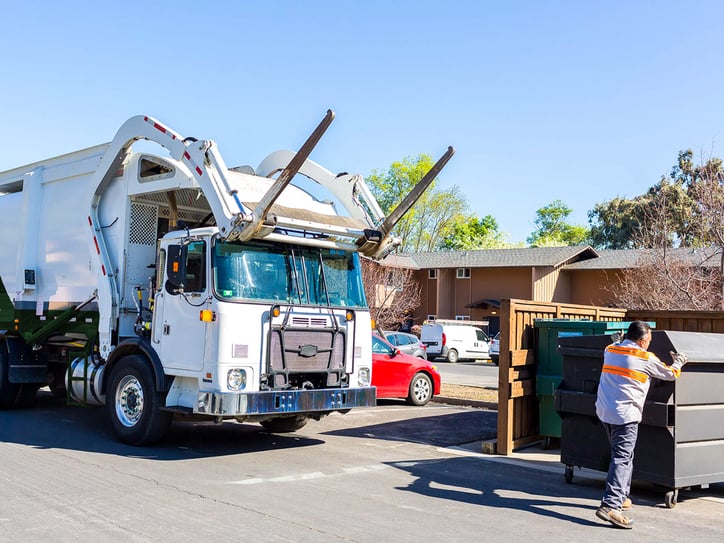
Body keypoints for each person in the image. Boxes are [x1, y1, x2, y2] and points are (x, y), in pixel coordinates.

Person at [594, 321, 687, 529]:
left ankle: (622, 496)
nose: (650, 345)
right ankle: (611, 506)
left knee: (623, 456)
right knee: (622, 458)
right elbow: (670, 374)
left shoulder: (610, 350)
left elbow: (614, 346)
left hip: (604, 410)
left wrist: (618, 341)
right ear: (643, 341)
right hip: (625, 415)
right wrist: (679, 362)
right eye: (649, 341)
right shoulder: (645, 357)